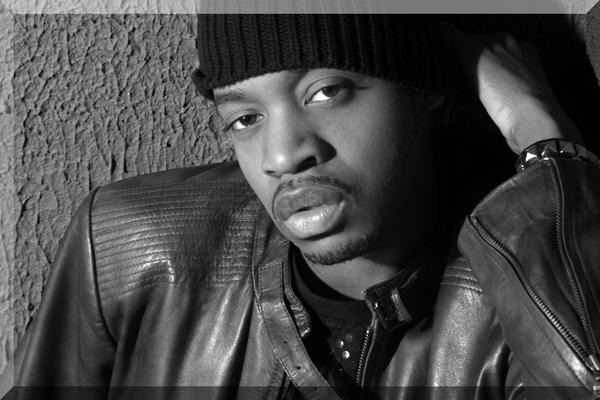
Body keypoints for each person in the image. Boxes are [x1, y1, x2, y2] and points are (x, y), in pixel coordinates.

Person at [5, 13, 600, 400]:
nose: (283, 155)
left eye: (326, 92)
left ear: (423, 88)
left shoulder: (522, 293)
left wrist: (543, 139)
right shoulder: (129, 250)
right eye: (245, 118)